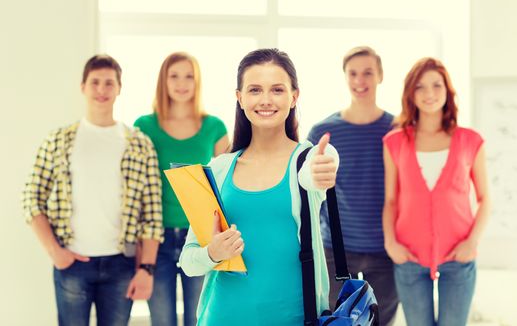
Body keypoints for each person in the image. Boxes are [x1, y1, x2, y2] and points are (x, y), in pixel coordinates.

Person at [179, 48, 339, 325]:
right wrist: (213, 253)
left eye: (277, 89)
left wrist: (323, 169)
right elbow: (189, 261)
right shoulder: (218, 168)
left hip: (294, 318)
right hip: (222, 317)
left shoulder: (308, 160)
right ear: (240, 98)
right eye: (254, 90)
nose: (266, 100)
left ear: (294, 97)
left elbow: (319, 169)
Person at [22, 55, 163, 326]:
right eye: (95, 82)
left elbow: (152, 214)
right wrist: (54, 251)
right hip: (72, 263)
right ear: (83, 86)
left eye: (109, 83)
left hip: (121, 264)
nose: (101, 90)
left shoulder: (139, 143)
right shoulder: (59, 140)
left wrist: (146, 269)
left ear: (119, 88)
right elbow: (31, 197)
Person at [382, 57, 490, 325]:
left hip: (459, 255)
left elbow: (485, 198)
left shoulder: (470, 140)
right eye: (420, 87)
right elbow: (391, 200)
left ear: (448, 90)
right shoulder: (394, 142)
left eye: (436, 85)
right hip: (409, 255)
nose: (429, 94)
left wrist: (472, 241)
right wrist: (391, 243)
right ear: (410, 93)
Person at [134, 52, 229, 326]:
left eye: (189, 76)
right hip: (157, 240)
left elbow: (227, 182)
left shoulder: (214, 126)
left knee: (199, 319)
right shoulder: (144, 126)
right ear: (163, 81)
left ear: (197, 81)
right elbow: (137, 188)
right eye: (174, 76)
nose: (181, 83)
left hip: (199, 236)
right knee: (162, 320)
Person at [307, 46, 398, 325]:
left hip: (385, 251)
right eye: (353, 73)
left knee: (380, 321)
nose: (360, 80)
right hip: (336, 251)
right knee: (335, 321)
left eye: (368, 72)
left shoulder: (397, 129)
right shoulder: (322, 132)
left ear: (380, 76)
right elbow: (310, 193)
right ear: (345, 77)